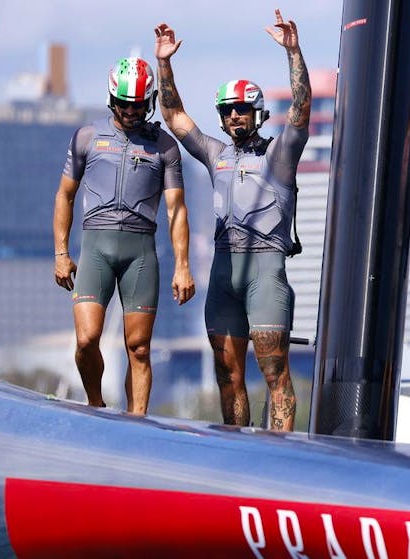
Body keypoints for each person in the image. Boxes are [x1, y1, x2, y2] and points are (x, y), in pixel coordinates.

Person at [154, 9, 311, 431]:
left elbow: (300, 108)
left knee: (275, 375)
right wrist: (164, 62)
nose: (234, 117)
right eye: (227, 111)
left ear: (257, 113)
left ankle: (278, 458)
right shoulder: (217, 154)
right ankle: (237, 453)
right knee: (228, 378)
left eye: (242, 110)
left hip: (265, 268)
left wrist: (293, 52)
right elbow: (173, 116)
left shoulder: (280, 155)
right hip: (223, 270)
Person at [53, 56, 195, 414]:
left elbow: (177, 209)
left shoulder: (164, 146)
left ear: (149, 101)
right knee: (86, 340)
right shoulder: (87, 136)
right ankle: (96, 405)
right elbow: (65, 195)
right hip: (95, 247)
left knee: (140, 348)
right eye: (124, 104)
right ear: (112, 100)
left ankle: (137, 423)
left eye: (138, 104)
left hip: (141, 252)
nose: (131, 111)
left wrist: (183, 266)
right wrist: (60, 253)